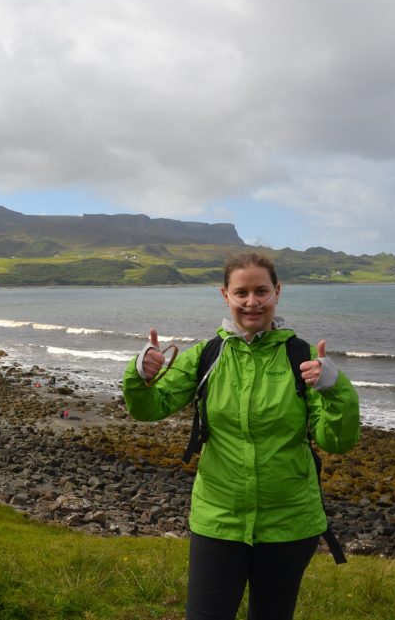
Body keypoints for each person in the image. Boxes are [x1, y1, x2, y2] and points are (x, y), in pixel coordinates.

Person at [122, 252, 360, 620]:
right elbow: (149, 408)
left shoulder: (303, 358)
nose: (252, 302)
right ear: (225, 295)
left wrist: (335, 389)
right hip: (218, 518)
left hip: (290, 522)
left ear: (277, 292)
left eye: (261, 291)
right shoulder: (207, 355)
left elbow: (337, 441)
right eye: (242, 292)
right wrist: (140, 374)